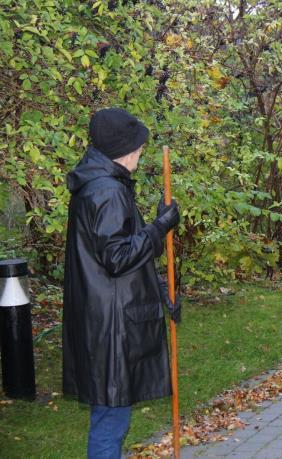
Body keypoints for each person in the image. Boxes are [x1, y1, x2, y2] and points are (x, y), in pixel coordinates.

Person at [63, 108, 181, 458]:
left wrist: (162, 294)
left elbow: (124, 255)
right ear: (125, 149)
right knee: (110, 419)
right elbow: (118, 258)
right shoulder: (107, 191)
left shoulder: (101, 185)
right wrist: (160, 227)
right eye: (139, 148)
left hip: (106, 315)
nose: (141, 155)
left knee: (110, 414)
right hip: (110, 324)